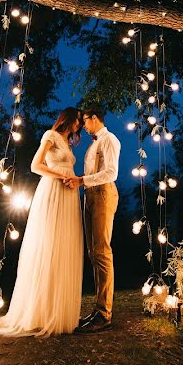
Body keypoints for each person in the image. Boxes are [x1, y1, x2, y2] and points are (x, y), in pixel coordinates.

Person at [0, 107, 84, 337]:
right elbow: (36, 166)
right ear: (69, 119)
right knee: (48, 245)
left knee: (63, 246)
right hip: (53, 191)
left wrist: (71, 179)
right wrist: (60, 175)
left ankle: (58, 309)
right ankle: (39, 312)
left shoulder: (67, 142)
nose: (79, 125)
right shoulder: (50, 136)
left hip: (69, 195)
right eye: (78, 121)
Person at [64, 107, 121, 333]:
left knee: (102, 252)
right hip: (89, 196)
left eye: (85, 121)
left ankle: (104, 314)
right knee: (93, 252)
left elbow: (111, 173)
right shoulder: (93, 143)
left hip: (103, 194)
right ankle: (98, 310)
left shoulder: (110, 140)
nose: (83, 126)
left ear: (94, 118)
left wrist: (81, 180)